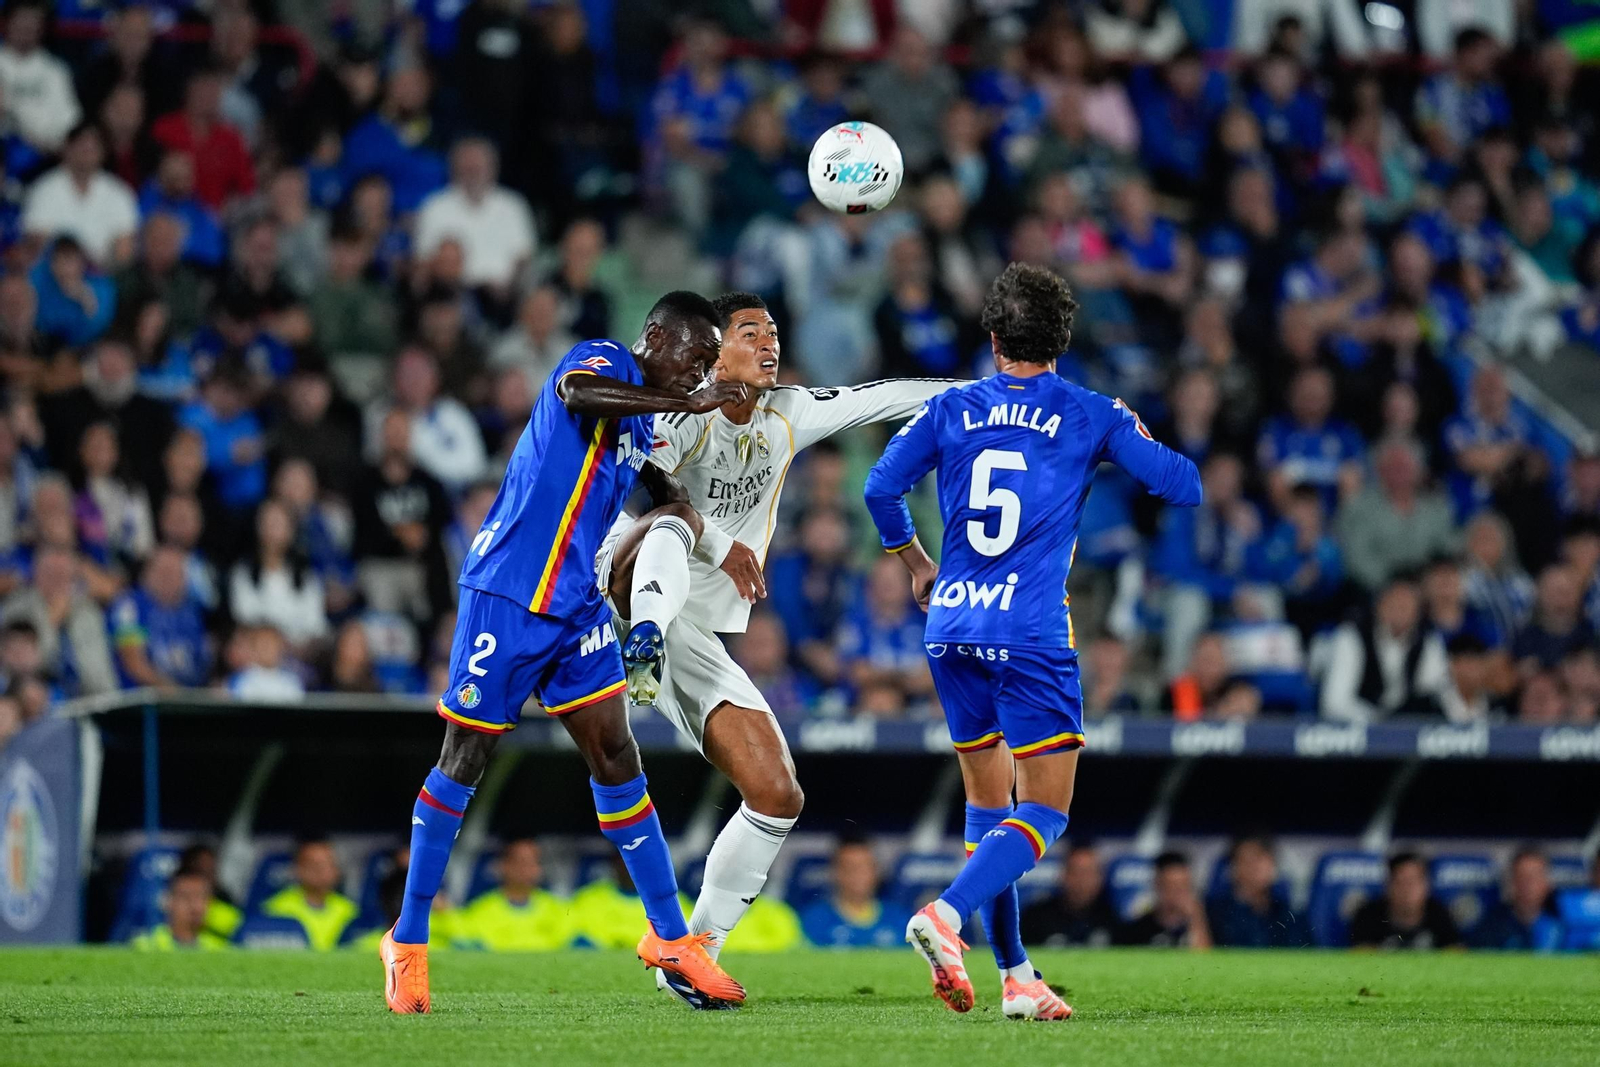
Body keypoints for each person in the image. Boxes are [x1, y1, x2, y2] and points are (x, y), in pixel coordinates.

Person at [382, 292, 759, 1015]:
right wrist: (698, 400)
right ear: (656, 336)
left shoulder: (643, 416)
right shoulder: (603, 360)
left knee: (617, 755)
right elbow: (575, 392)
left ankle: (672, 938)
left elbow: (652, 476)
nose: (699, 371)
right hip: (508, 594)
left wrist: (682, 511)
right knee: (464, 760)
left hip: (576, 607)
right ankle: (407, 939)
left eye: (709, 363)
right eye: (696, 355)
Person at [592, 293, 954, 1004]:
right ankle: (642, 643)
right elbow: (639, 476)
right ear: (713, 350)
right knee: (672, 519)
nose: (769, 343)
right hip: (617, 583)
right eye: (749, 331)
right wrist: (720, 544)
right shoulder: (679, 413)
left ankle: (691, 957)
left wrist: (997, 392)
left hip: (688, 634)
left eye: (774, 332)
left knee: (777, 791)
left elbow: (879, 397)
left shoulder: (787, 412)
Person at [864, 263, 1201, 1019]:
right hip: (1030, 631)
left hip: (951, 624)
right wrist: (1125, 427)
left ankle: (1017, 974)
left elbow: (879, 488)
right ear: (1065, 340)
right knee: (1045, 812)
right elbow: (1183, 484)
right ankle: (946, 916)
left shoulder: (952, 406)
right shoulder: (1089, 411)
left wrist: (918, 565)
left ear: (992, 339)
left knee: (990, 810)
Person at [450, 839, 573, 952]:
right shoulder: (481, 910)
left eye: (533, 862)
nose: (526, 869)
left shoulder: (557, 909)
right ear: (503, 866)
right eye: (521, 862)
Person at [798, 837, 911, 949]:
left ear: (876, 871)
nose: (857, 876)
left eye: (864, 868)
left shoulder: (899, 918)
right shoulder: (815, 919)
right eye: (850, 868)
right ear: (835, 872)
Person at [1206, 834, 1312, 947]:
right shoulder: (1216, 915)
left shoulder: (1289, 914)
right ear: (1234, 868)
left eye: (1263, 859)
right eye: (1249, 861)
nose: (1257, 867)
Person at [260, 837, 359, 951]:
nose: (321, 870)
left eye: (327, 864)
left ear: (337, 870)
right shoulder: (276, 909)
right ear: (297, 869)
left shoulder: (350, 911)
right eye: (314, 864)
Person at [1349, 852, 1461, 950]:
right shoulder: (1368, 916)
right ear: (1388, 886)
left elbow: (1456, 956)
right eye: (1401, 882)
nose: (1407, 890)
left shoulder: (1441, 915)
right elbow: (1361, 959)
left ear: (1426, 886)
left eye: (1413, 882)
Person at [1018, 841, 1121, 947]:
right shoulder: (1037, 918)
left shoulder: (1111, 919)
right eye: (1075, 872)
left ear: (1100, 878)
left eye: (1088, 873)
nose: (1081, 880)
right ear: (1063, 875)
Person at [1472, 847, 1564, 950]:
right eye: (1522, 877)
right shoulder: (1491, 927)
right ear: (1511, 883)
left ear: (1548, 883)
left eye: (1534, 877)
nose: (1528, 885)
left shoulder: (1564, 923)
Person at [1116, 851, 1212, 947]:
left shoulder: (1205, 925)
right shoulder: (1137, 930)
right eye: (1171, 887)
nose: (1178, 894)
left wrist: (1196, 919)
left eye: (1183, 886)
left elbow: (1205, 959)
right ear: (1157, 885)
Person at [132, 869, 230, 951]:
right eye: (186, 897)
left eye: (201, 897)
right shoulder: (145, 946)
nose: (195, 906)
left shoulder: (218, 949)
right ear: (168, 902)